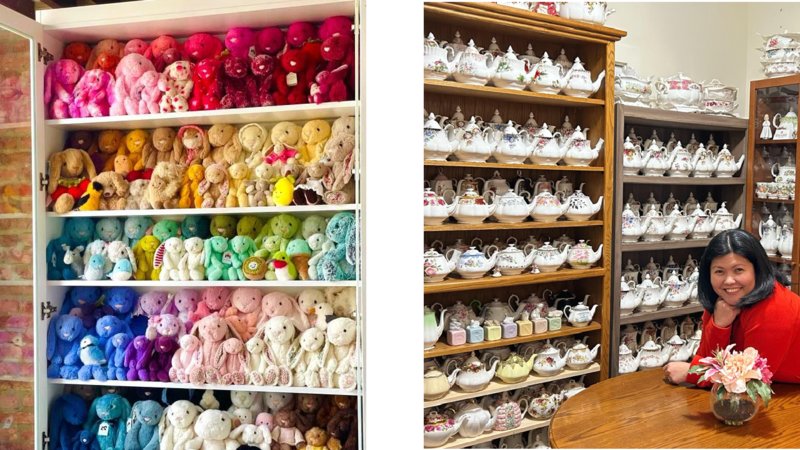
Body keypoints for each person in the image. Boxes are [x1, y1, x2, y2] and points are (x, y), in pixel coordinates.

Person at [664, 229, 800, 386]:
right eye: (719, 271)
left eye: (739, 270)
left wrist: (691, 372)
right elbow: (706, 357)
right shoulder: (722, 301)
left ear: (757, 269)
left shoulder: (776, 308)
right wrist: (720, 324)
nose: (729, 281)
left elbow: (753, 381)